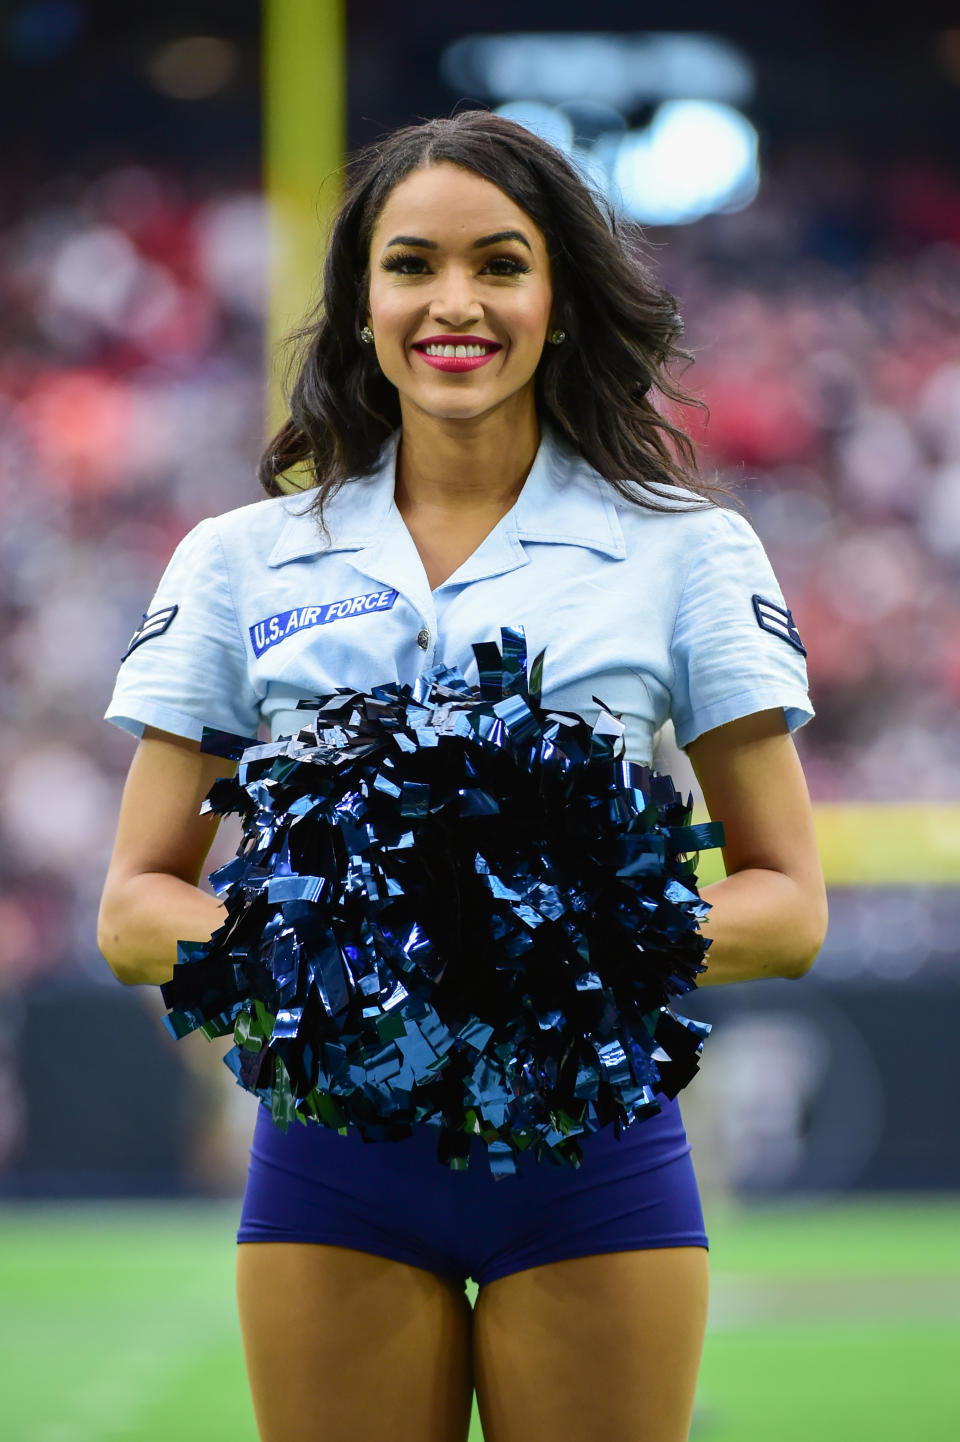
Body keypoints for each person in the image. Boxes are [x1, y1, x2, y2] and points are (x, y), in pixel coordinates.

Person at [97, 112, 827, 1442]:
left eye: (500, 264)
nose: (455, 302)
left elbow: (789, 905)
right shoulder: (236, 561)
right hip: (337, 1155)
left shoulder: (689, 552)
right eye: (411, 264)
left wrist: (549, 954)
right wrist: (339, 957)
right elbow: (135, 908)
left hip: (591, 1153)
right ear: (361, 304)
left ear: (557, 300)